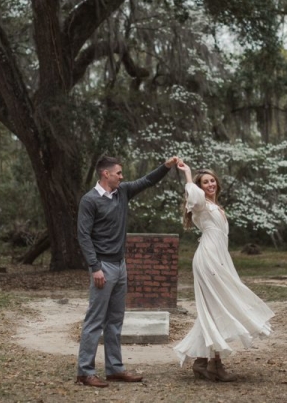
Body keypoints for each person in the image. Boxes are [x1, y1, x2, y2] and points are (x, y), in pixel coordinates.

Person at [76, 154, 179, 388]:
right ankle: (85, 371)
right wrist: (95, 268)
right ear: (106, 174)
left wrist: (166, 166)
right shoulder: (90, 200)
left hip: (121, 266)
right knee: (95, 320)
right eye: (119, 173)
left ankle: (114, 369)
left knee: (115, 320)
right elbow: (83, 236)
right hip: (103, 267)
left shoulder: (122, 192)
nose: (122, 177)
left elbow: (147, 181)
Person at [173, 161, 274, 382]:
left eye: (212, 181)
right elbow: (194, 195)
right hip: (208, 259)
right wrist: (189, 176)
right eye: (205, 182)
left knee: (214, 309)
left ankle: (202, 362)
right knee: (219, 307)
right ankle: (215, 366)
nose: (210, 185)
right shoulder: (200, 204)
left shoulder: (214, 206)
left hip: (219, 258)